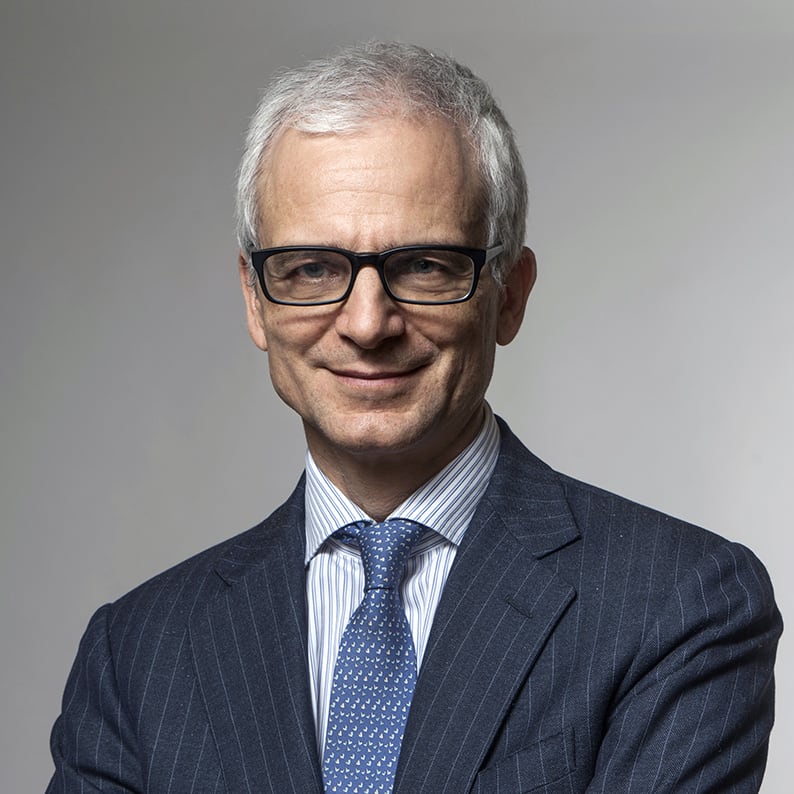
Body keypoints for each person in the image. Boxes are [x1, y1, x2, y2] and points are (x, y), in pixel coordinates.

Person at [47, 41, 782, 793]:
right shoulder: (135, 654)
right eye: (312, 269)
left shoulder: (681, 605)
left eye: (425, 266)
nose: (367, 324)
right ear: (255, 300)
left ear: (510, 294)